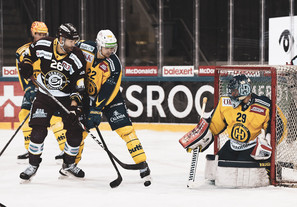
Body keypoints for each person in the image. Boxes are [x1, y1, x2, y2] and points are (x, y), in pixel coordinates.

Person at [77, 29, 151, 186]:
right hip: (87, 97)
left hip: (110, 98)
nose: (111, 51)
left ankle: (142, 163)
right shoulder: (84, 48)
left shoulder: (114, 63)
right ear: (98, 45)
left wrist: (96, 109)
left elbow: (108, 90)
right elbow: (69, 49)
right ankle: (70, 163)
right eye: (108, 48)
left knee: (126, 129)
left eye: (113, 48)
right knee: (80, 131)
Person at [18, 23, 86, 180]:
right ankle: (33, 165)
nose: (73, 44)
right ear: (61, 39)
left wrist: (75, 108)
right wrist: (26, 65)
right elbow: (28, 55)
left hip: (67, 97)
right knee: (37, 132)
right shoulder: (43, 44)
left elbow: (79, 86)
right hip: (44, 95)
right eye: (71, 41)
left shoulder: (77, 56)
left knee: (76, 135)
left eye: (75, 41)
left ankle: (69, 165)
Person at [184, 74, 272, 162]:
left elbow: (274, 128)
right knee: (216, 165)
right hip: (232, 145)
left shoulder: (264, 105)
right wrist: (201, 137)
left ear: (245, 90)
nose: (231, 94)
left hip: (252, 147)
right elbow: (215, 125)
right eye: (231, 91)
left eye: (234, 91)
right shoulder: (225, 102)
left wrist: (267, 142)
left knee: (242, 169)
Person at [16, 21, 65, 161]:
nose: (42, 37)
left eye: (44, 34)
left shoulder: (52, 49)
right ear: (32, 33)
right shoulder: (22, 51)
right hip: (33, 87)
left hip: (49, 88)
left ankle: (64, 149)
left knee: (55, 118)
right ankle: (29, 149)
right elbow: (22, 72)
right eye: (39, 34)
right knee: (24, 114)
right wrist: (28, 88)